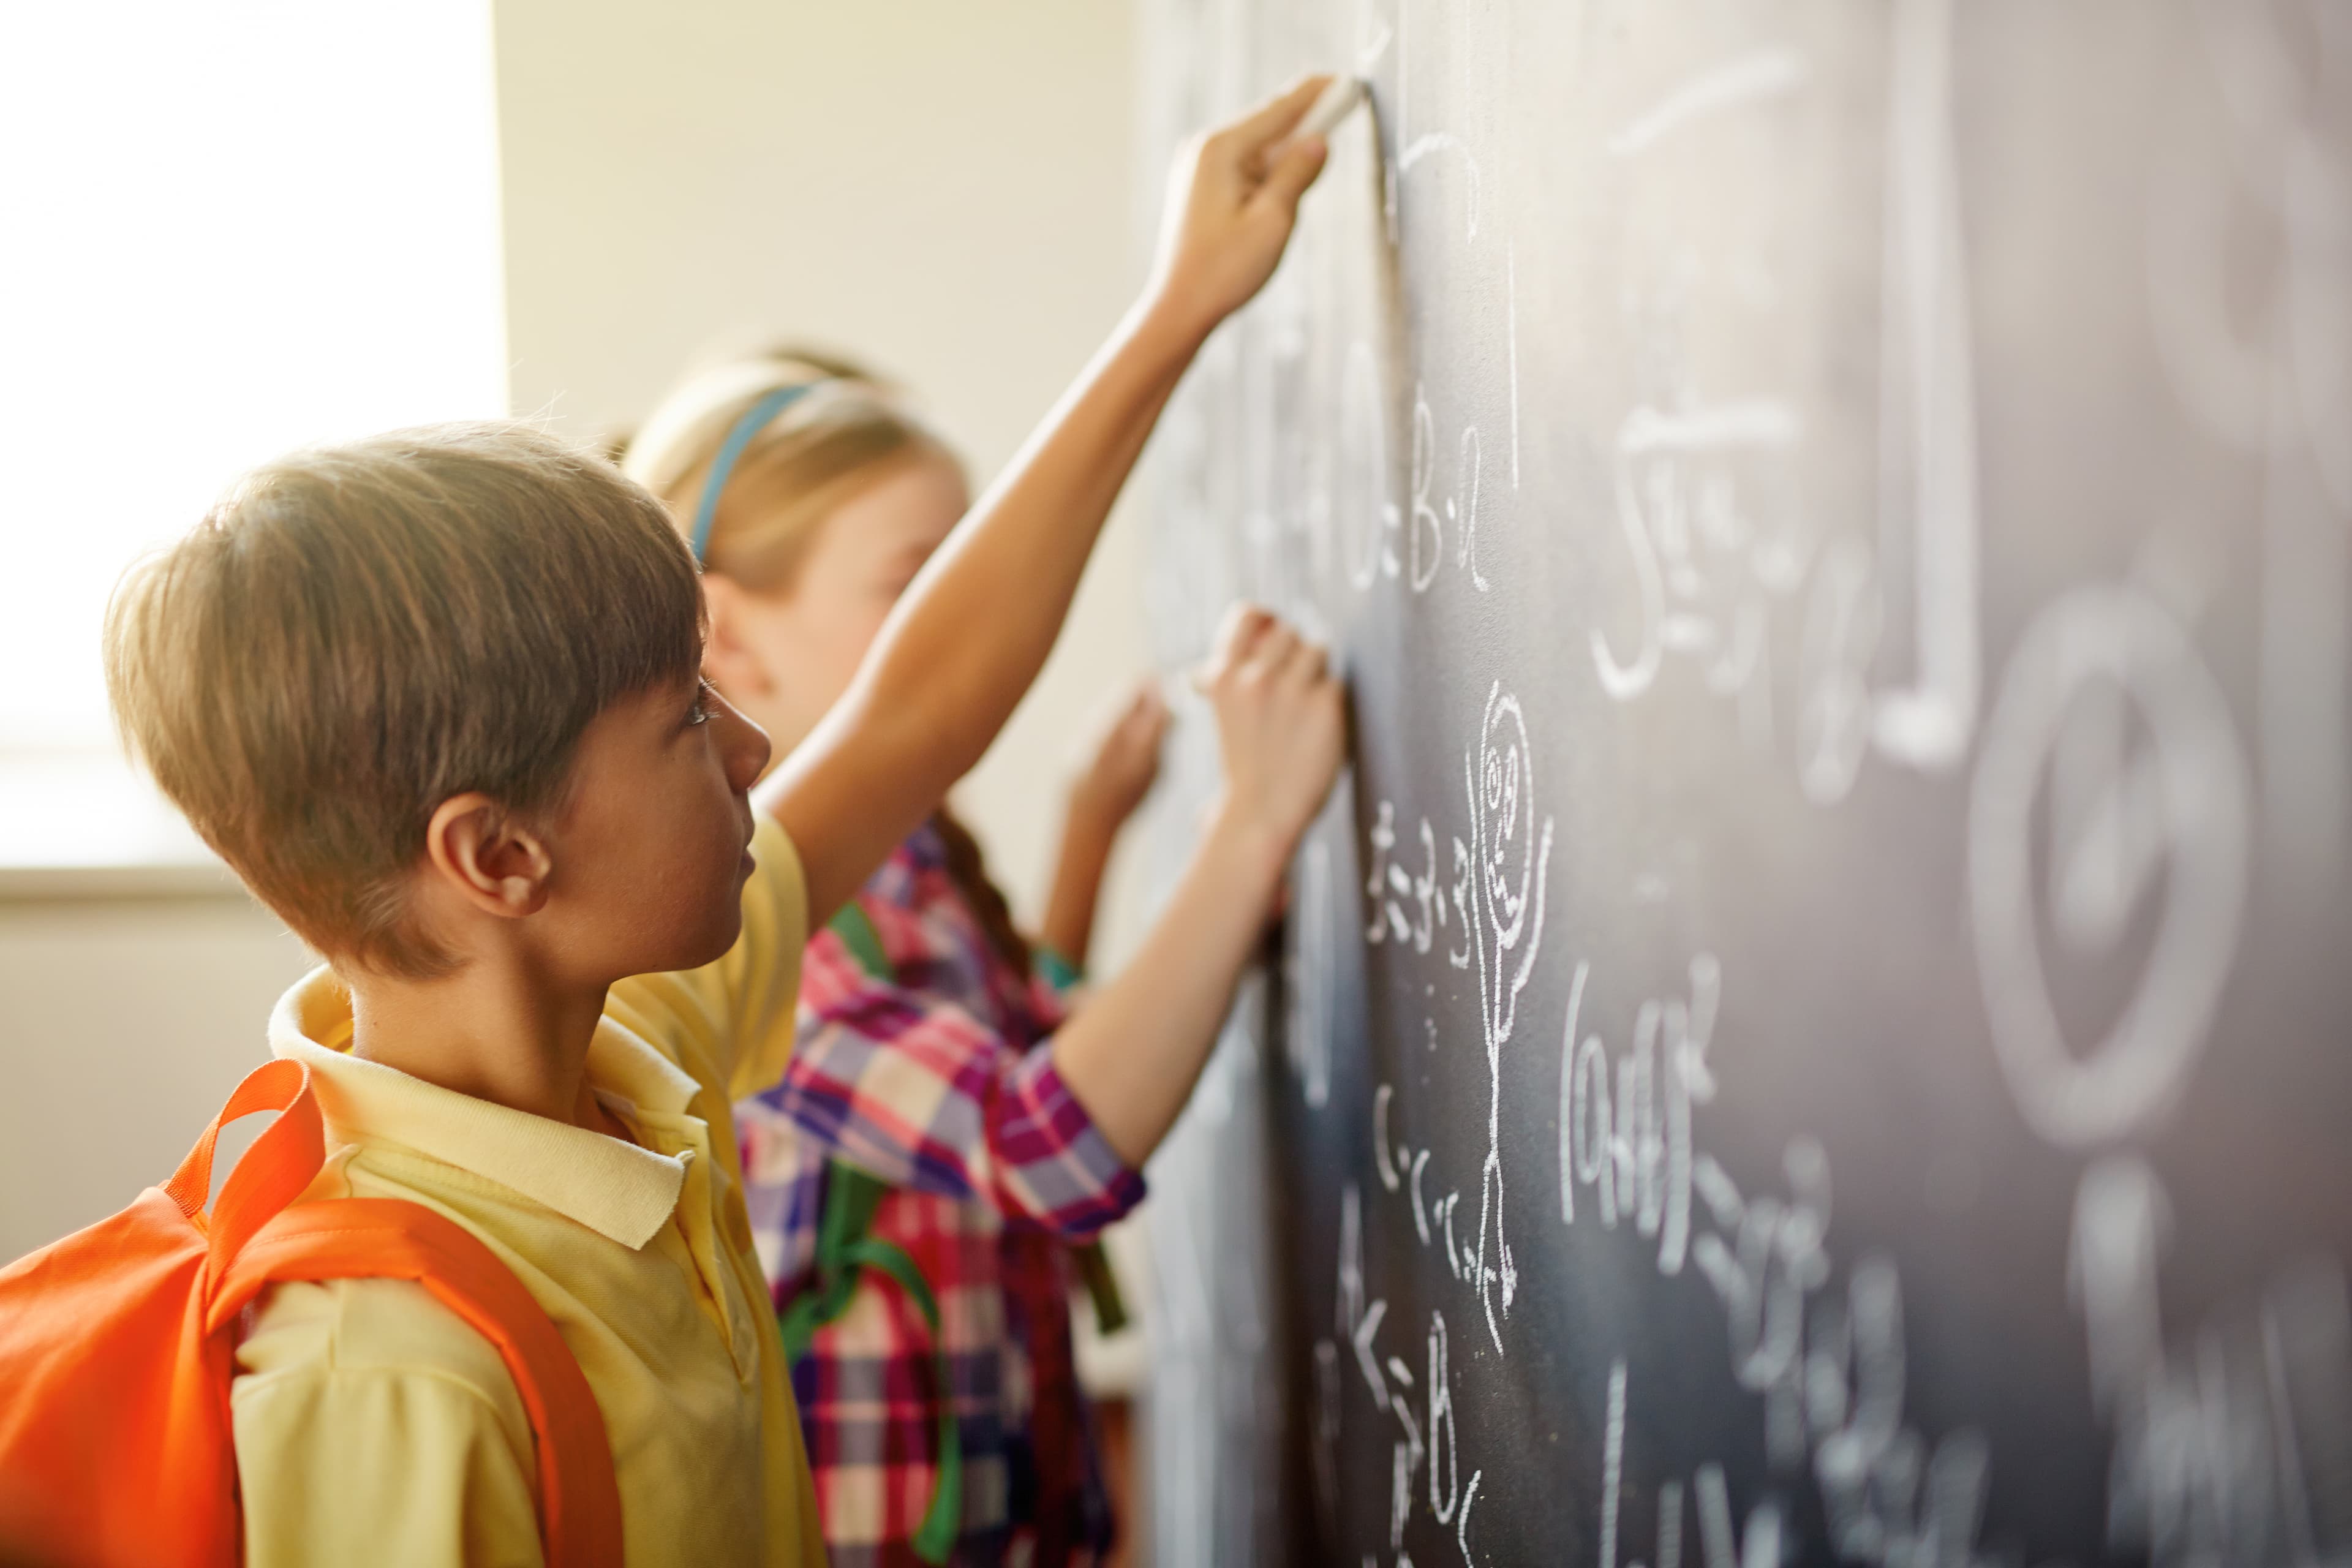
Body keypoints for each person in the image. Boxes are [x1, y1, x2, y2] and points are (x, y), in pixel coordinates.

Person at [96, 77, 1344, 1566]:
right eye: (689, 719)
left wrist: (1175, 313)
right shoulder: (391, 1367)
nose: (754, 747)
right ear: (501, 857)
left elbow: (917, 709)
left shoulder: (641, 1035)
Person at [624, 344, 1256, 1562]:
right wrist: (1248, 835)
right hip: (882, 1525)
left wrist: (1089, 830)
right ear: (725, 628)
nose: (979, 616)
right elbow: (1044, 1143)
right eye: (922, 582)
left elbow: (1018, 1041)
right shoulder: (751, 907)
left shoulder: (911, 855)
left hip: (1008, 1478)